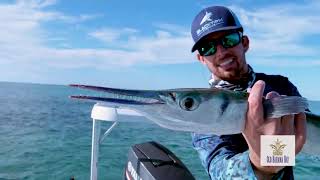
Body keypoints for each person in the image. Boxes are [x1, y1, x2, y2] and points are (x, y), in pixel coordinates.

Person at [190, 6, 306, 179]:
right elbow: (217, 169)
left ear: (244, 43)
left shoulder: (282, 86)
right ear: (201, 58)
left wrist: (276, 156)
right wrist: (265, 164)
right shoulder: (202, 112)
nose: (221, 52)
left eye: (228, 40)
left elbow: (304, 136)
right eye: (208, 48)